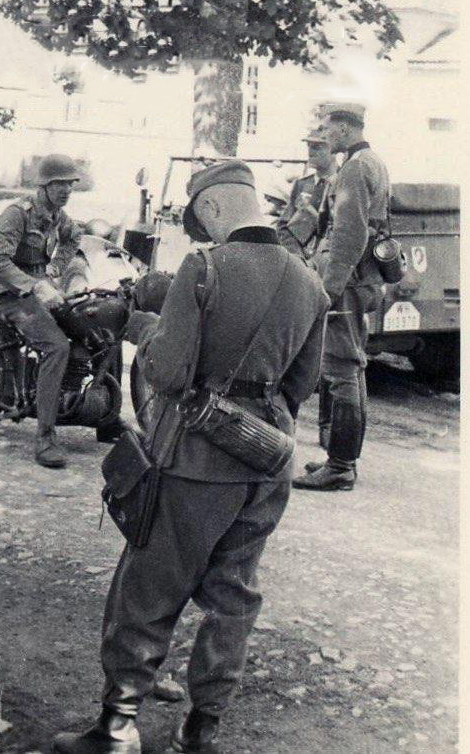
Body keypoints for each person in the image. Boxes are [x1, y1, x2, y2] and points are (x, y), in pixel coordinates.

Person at [53, 161, 329, 754]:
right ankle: (203, 729)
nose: (197, 232)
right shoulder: (310, 283)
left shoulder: (203, 270)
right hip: (266, 459)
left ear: (213, 208)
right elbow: (302, 385)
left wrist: (144, 327)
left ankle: (118, 726)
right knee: (234, 595)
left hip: (196, 461)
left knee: (148, 586)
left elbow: (170, 372)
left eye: (197, 217)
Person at [293, 103, 390, 492]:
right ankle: (341, 459)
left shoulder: (354, 167)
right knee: (353, 366)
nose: (325, 135)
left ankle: (341, 465)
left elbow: (350, 236)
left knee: (341, 369)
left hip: (347, 283)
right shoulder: (373, 161)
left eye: (329, 129)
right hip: (363, 280)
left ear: (347, 129)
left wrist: (328, 291)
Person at [0, 154, 84, 469]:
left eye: (70, 184)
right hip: (11, 292)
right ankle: (44, 437)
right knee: (56, 347)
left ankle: (106, 420)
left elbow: (75, 238)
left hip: (41, 288)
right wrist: (35, 285)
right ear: (43, 185)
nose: (66, 190)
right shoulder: (17, 215)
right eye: (59, 184)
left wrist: (54, 270)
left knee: (92, 326)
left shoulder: (59, 217)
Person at [276, 127, 336, 260]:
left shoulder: (343, 184)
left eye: (317, 147)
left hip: (328, 260)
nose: (310, 152)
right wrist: (297, 257)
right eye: (309, 146)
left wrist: (312, 214)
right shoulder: (302, 184)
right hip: (300, 260)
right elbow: (283, 226)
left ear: (333, 150)